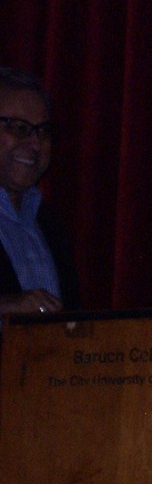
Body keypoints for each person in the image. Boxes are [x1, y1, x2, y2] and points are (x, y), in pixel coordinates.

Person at [0, 67, 77, 317]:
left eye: (43, 131)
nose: (35, 144)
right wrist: (6, 307)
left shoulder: (51, 224)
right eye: (19, 128)